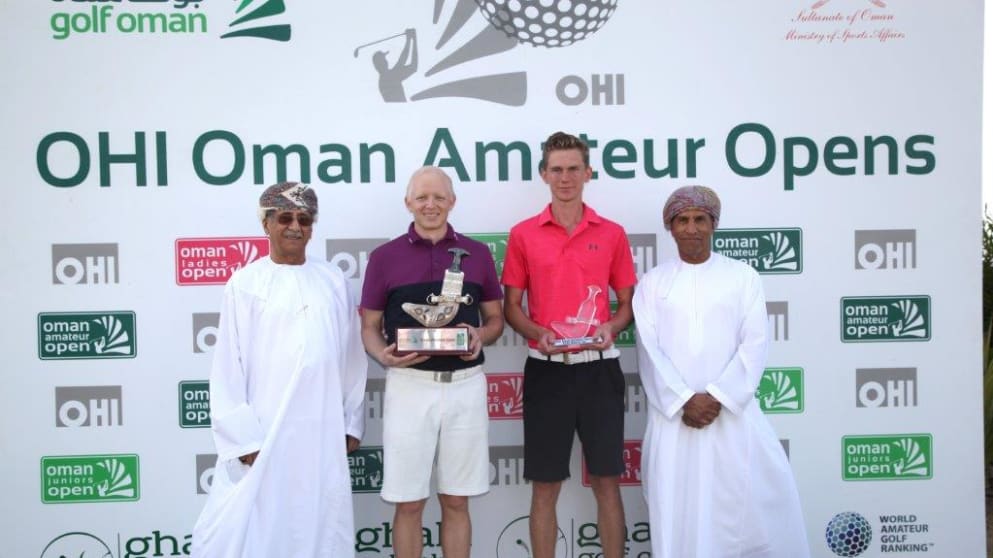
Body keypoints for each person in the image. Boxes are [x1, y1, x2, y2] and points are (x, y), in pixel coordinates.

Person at [191, 182, 368, 558]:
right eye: (285, 217)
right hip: (265, 432)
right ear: (266, 223)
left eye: (304, 219)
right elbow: (227, 368)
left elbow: (352, 356)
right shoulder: (246, 284)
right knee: (262, 525)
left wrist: (351, 422)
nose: (295, 227)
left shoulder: (332, 280)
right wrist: (243, 439)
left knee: (321, 520)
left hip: (322, 432)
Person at [633, 185, 810, 558]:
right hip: (674, 421)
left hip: (732, 416)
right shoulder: (652, 283)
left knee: (745, 511)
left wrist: (717, 397)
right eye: (683, 220)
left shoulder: (742, 276)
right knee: (677, 511)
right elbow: (648, 351)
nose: (692, 228)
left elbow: (755, 342)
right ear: (671, 227)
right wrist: (684, 399)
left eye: (700, 220)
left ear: (714, 225)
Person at [502, 131, 636, 558]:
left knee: (607, 481)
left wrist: (612, 326)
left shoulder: (612, 233)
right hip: (547, 370)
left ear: (588, 172)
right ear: (543, 174)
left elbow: (627, 304)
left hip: (599, 369)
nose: (565, 177)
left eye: (573, 168)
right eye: (556, 169)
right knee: (545, 486)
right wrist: (534, 332)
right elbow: (511, 307)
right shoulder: (523, 234)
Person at [360, 166, 504, 558]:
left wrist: (480, 335)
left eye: (439, 197)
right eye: (422, 197)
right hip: (409, 386)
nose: (430, 204)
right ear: (408, 202)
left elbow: (495, 319)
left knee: (457, 500)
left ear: (452, 202)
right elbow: (370, 326)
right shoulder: (384, 257)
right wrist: (381, 354)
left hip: (466, 386)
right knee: (408, 502)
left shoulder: (477, 254)